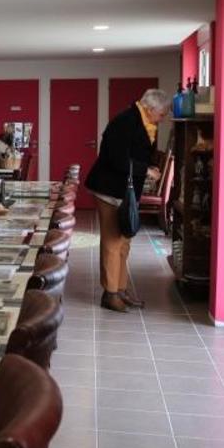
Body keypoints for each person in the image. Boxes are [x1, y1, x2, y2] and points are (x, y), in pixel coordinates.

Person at [84, 89, 170, 312]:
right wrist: (146, 170)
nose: (163, 119)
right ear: (150, 108)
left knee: (124, 243)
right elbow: (117, 160)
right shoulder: (125, 121)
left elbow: (137, 155)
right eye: (162, 114)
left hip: (124, 192)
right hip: (109, 189)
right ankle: (110, 294)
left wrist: (148, 166)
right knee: (113, 242)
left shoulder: (144, 122)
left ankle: (120, 289)